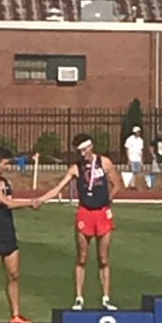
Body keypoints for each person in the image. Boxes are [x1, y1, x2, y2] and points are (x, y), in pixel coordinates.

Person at [36, 133, 122, 310]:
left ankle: (106, 297)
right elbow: (58, 188)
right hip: (84, 213)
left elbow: (117, 184)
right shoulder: (76, 168)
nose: (82, 154)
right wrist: (41, 199)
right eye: (79, 151)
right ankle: (79, 297)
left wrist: (107, 201)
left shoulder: (104, 162)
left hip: (102, 212)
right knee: (82, 257)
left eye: (84, 149)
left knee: (103, 258)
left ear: (90, 147)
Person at [0, 146, 36, 323]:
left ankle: (16, 315)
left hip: (8, 232)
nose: (7, 166)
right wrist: (30, 203)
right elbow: (7, 203)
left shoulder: (5, 182)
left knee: (13, 274)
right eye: (5, 163)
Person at [123, 125, 144, 190]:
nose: (138, 133)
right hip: (132, 157)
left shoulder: (140, 140)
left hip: (138, 158)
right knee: (132, 171)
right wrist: (128, 158)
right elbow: (127, 149)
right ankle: (132, 184)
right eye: (137, 132)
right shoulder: (129, 139)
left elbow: (141, 150)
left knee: (137, 172)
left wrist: (141, 159)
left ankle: (135, 183)